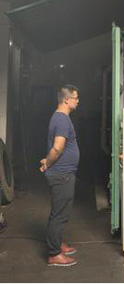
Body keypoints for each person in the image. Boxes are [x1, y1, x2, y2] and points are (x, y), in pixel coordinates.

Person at [40, 85, 80, 267]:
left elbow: (54, 148)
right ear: (66, 100)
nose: (78, 101)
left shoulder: (60, 118)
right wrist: (48, 163)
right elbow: (57, 148)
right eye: (75, 98)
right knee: (59, 214)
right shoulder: (62, 119)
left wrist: (47, 160)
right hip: (61, 174)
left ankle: (57, 243)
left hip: (63, 173)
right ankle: (54, 253)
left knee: (61, 211)